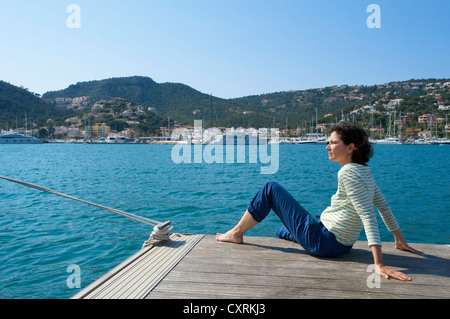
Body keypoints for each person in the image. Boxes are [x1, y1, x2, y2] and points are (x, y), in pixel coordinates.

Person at [216, 121, 423, 281]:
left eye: (333, 142)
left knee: (270, 188)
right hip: (343, 245)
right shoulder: (364, 171)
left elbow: (368, 215)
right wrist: (399, 240)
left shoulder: (347, 174)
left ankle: (235, 234)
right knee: (282, 230)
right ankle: (286, 233)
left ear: (350, 147)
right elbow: (383, 207)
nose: (327, 147)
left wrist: (378, 264)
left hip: (325, 242)